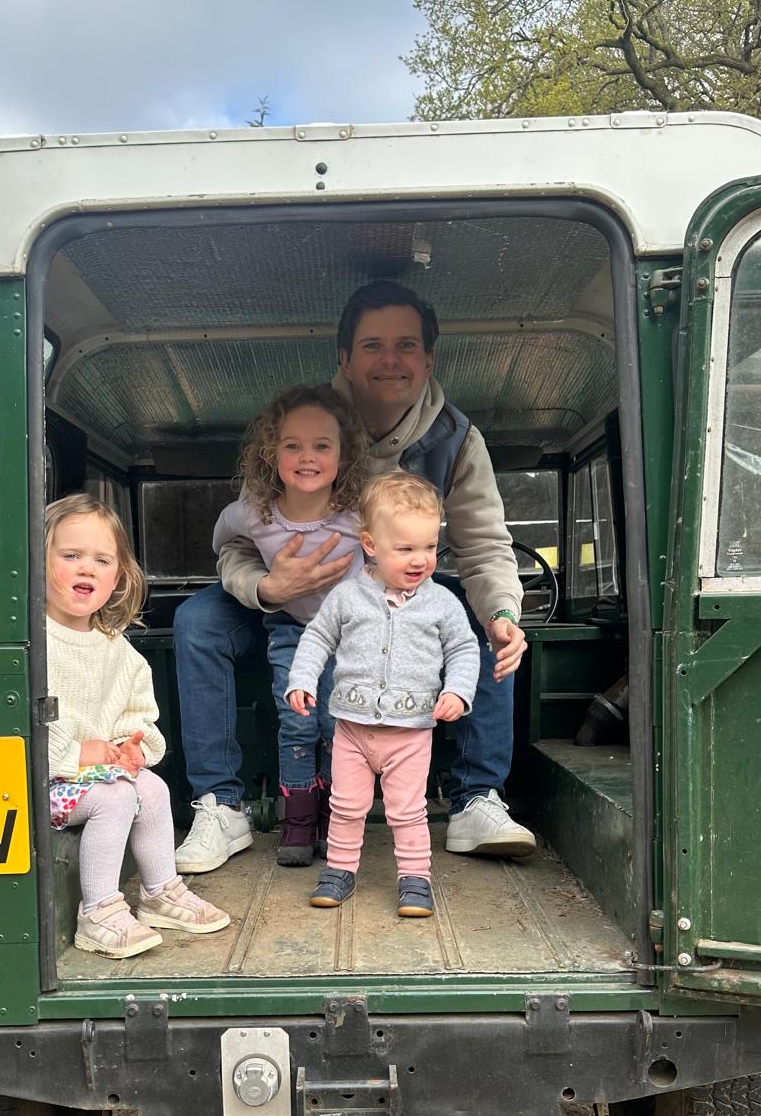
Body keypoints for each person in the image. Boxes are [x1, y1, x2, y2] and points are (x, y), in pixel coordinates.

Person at [174, 278, 535, 876]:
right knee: (195, 621)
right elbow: (239, 544)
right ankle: (221, 804)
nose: (389, 359)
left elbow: (484, 548)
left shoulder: (456, 441)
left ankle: (476, 799)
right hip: (284, 598)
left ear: (428, 358)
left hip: (391, 593)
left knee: (484, 622)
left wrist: (503, 612)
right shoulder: (301, 427)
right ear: (345, 357)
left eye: (406, 345)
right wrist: (267, 589)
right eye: (372, 345)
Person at [287, 471, 480, 918]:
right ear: (371, 545)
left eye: (430, 547)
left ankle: (415, 880)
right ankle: (339, 870)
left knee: (408, 811)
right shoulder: (348, 596)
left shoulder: (442, 603)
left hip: (410, 733)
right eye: (406, 549)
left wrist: (457, 690)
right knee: (347, 805)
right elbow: (317, 638)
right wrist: (301, 679)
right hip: (352, 729)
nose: (420, 559)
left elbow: (465, 648)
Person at [45, 492, 230, 959]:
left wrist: (137, 748)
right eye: (71, 556)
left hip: (96, 775)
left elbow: (140, 717)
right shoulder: (35, 642)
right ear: (38, 562)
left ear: (119, 576)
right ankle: (99, 911)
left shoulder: (117, 649)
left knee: (150, 787)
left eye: (101, 560)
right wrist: (76, 754)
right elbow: (24, 724)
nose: (87, 568)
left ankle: (159, 891)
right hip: (43, 781)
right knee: (115, 796)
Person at [210, 384, 367, 867]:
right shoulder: (253, 514)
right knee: (297, 721)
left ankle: (333, 822)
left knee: (339, 725)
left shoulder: (361, 512)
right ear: (270, 453)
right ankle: (297, 823)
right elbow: (223, 541)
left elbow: (405, 537)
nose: (307, 456)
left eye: (322, 446)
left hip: (354, 635)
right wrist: (264, 580)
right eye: (292, 445)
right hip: (293, 631)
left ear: (345, 455)